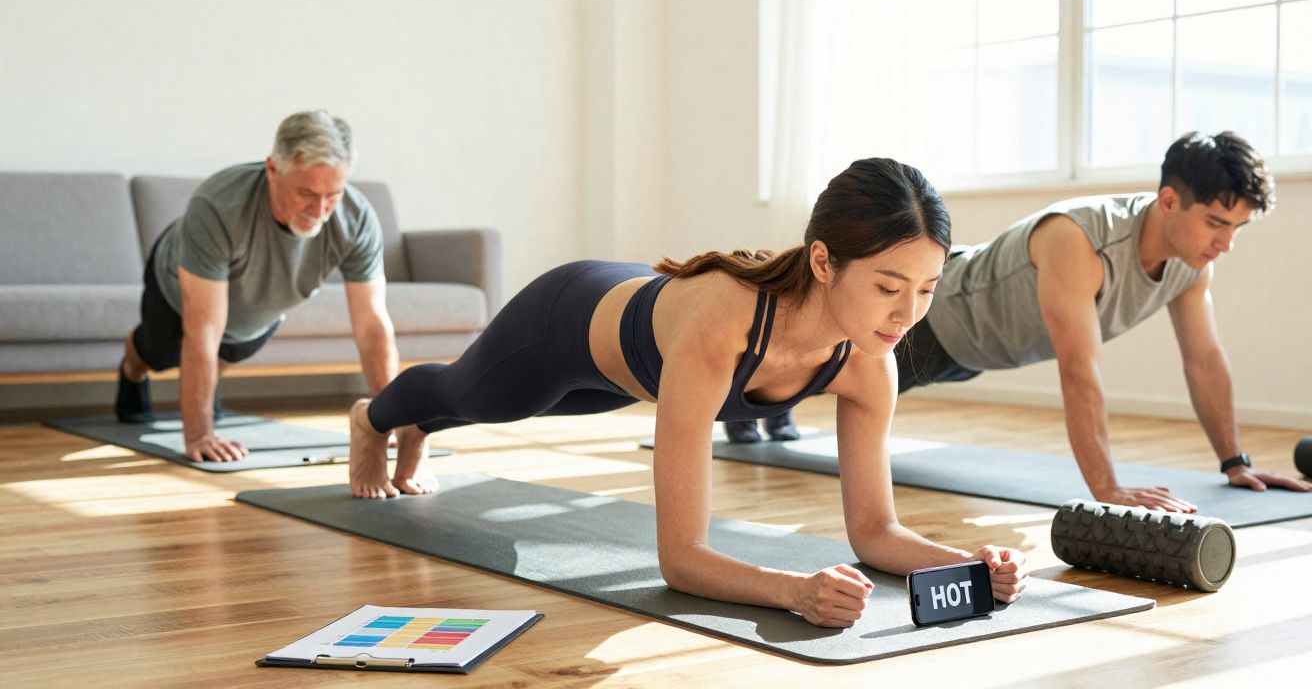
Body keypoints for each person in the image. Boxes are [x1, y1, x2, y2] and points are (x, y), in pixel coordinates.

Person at [348, 158, 1028, 627]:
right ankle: (376, 419)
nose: (906, 314)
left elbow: (875, 532)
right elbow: (680, 560)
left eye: (926, 290)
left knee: (506, 403)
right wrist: (793, 591)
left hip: (636, 375)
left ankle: (422, 426)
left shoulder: (869, 365)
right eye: (887, 287)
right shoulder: (723, 328)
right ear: (824, 261)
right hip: (566, 321)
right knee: (478, 397)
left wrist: (968, 563)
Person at [754, 131, 1311, 511]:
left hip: (976, 353)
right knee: (808, 361)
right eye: (1217, 223)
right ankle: (748, 395)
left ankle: (767, 400)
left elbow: (1204, 360)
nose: (1226, 244)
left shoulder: (1191, 267)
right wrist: (1106, 487)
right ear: (1168, 201)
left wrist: (1235, 462)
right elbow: (1080, 368)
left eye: (1236, 229)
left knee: (817, 377)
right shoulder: (1080, 238)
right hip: (935, 318)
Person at [116, 110, 404, 466]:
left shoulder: (356, 219)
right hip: (177, 287)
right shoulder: (219, 205)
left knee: (229, 351)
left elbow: (372, 325)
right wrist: (199, 434)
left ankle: (207, 389)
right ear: (272, 169)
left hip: (262, 304)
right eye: (305, 192)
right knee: (160, 354)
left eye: (333, 193)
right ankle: (132, 368)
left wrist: (392, 419)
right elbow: (204, 327)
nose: (320, 209)